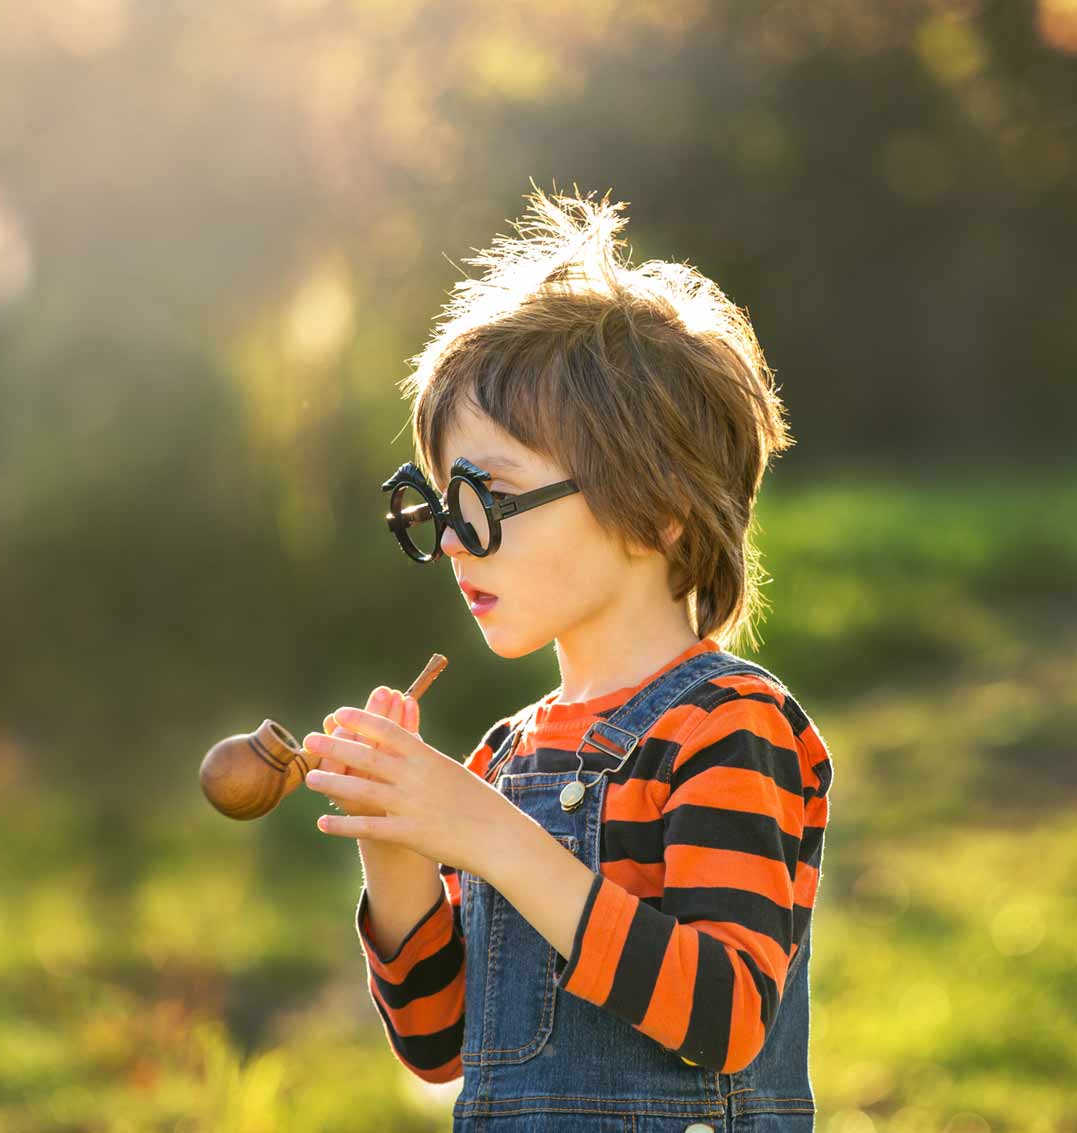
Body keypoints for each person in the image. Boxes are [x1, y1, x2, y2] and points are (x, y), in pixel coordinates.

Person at [300, 185, 835, 1132]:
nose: (457, 542)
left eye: (487, 499)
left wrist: (491, 835)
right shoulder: (509, 756)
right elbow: (439, 1046)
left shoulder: (724, 728)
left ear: (655, 508)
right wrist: (396, 846)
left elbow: (725, 1015)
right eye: (441, 508)